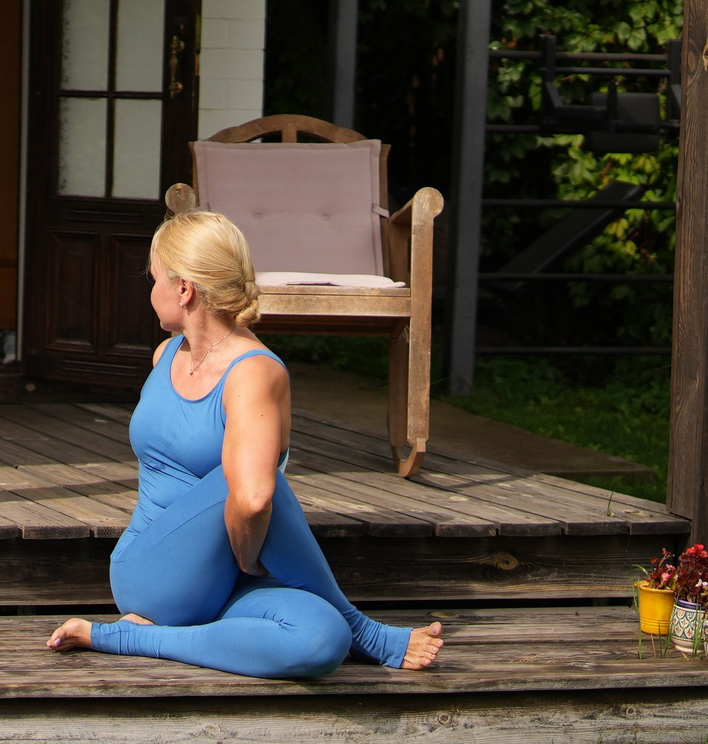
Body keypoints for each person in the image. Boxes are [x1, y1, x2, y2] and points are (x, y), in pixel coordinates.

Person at [45, 209, 444, 678]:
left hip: (225, 584)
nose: (150, 292)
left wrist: (240, 556)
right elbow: (253, 498)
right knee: (256, 480)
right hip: (154, 575)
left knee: (321, 639)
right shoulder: (166, 355)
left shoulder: (253, 371)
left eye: (154, 279)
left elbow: (253, 501)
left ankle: (133, 636)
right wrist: (248, 554)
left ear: (184, 289)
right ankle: (364, 630)